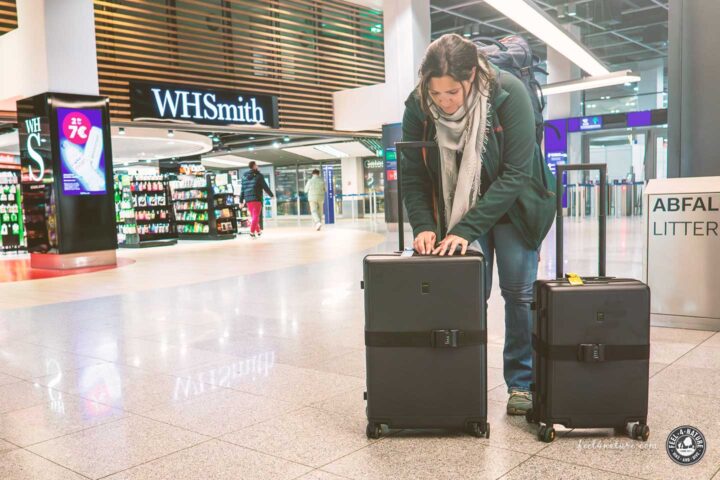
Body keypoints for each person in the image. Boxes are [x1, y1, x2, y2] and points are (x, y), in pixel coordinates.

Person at [401, 34, 555, 416]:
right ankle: (461, 379)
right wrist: (423, 224)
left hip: (516, 207)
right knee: (467, 296)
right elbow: (412, 173)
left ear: (472, 76)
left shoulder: (508, 93)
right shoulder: (418, 104)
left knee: (519, 294)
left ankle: (521, 383)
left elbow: (517, 173)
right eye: (436, 94)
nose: (444, 102)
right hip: (456, 209)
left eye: (452, 92)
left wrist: (464, 230)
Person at [240, 161, 274, 238]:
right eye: (257, 165)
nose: (258, 166)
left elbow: (242, 189)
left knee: (254, 216)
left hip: (248, 199)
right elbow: (265, 186)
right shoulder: (259, 176)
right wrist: (271, 195)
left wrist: (241, 201)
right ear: (254, 166)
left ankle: (258, 231)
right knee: (256, 216)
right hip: (256, 198)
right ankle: (252, 232)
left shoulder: (244, 177)